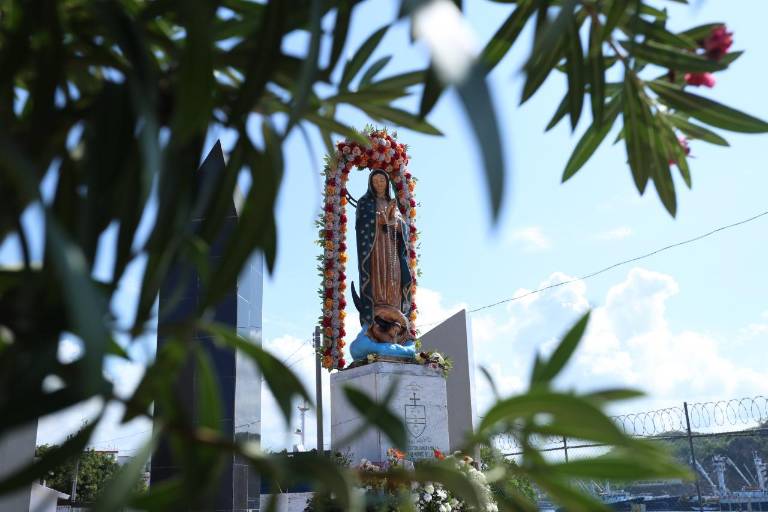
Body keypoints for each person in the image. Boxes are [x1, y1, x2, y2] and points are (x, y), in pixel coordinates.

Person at [353, 170, 413, 344]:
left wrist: (396, 223)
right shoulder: (365, 202)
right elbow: (361, 224)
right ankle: (377, 313)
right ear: (371, 184)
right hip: (375, 248)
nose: (379, 183)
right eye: (376, 181)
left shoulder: (392, 203)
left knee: (396, 276)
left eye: (382, 180)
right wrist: (377, 220)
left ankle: (395, 313)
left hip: (392, 248)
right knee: (377, 275)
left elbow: (403, 228)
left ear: (387, 183)